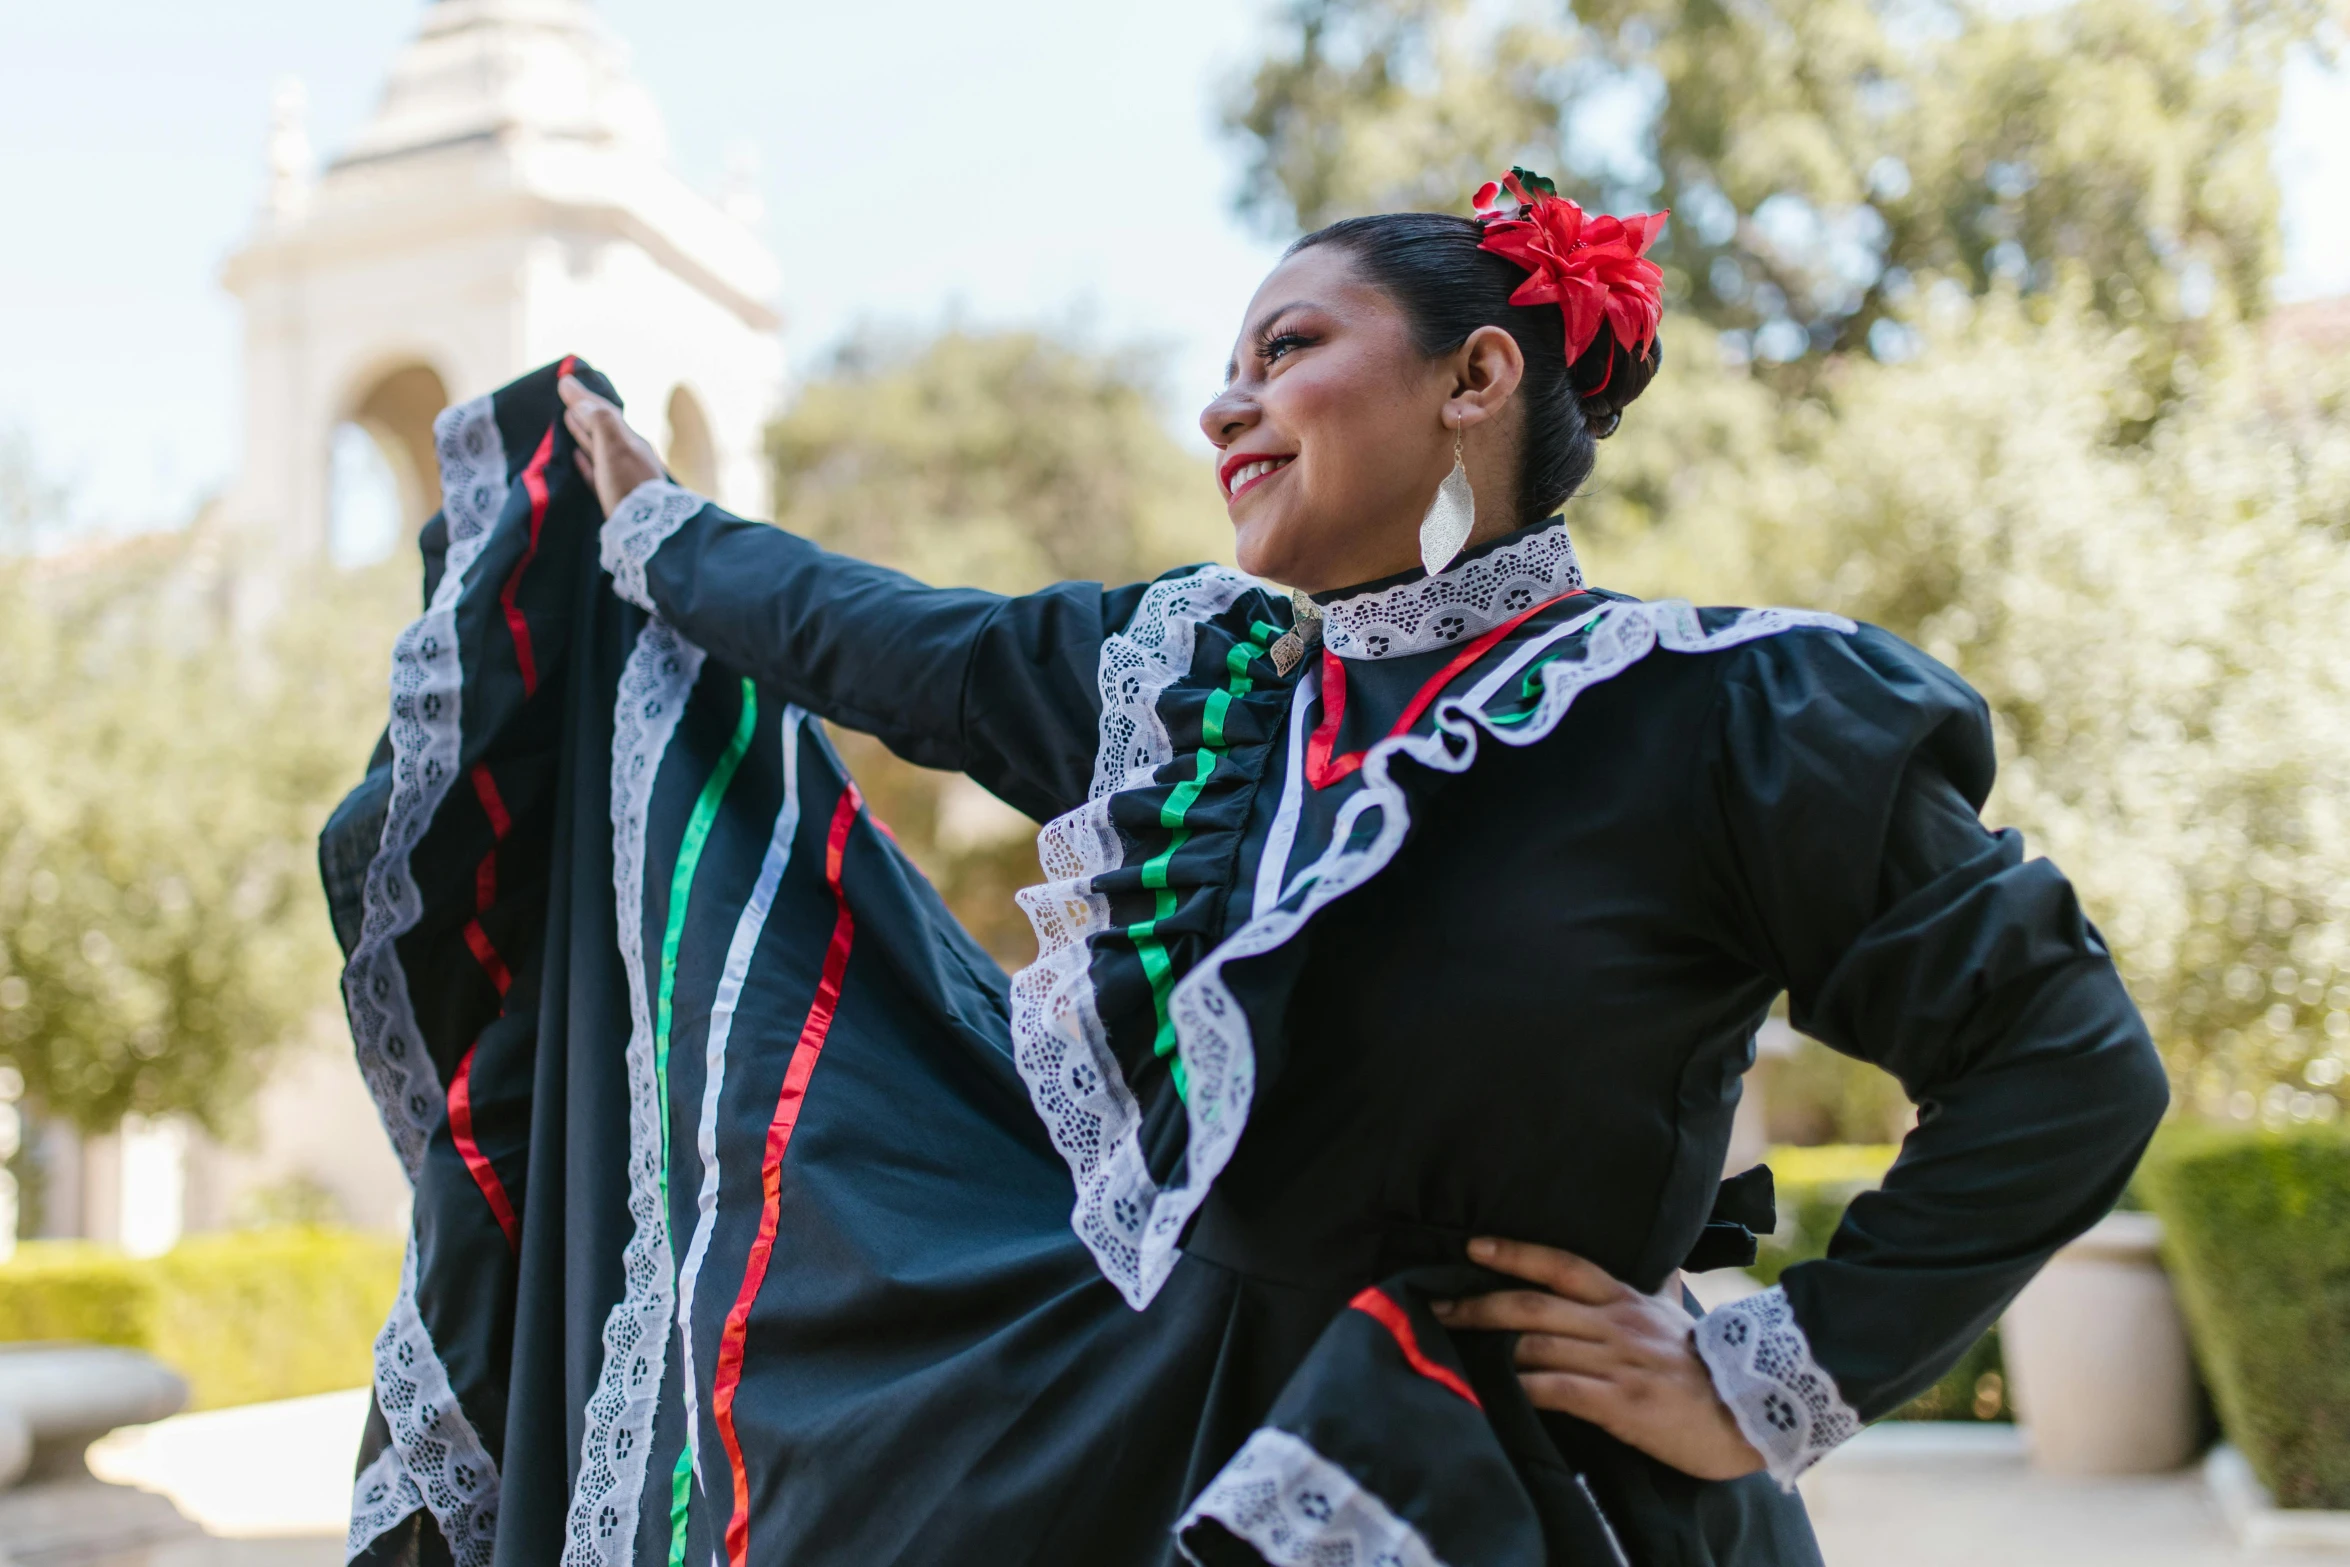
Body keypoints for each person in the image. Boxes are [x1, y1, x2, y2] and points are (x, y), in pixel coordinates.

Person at [325, 170, 2166, 1567]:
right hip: (1161, 1453)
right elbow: (887, 640)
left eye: (1288, 349)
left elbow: (2064, 1059)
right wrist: (654, 531)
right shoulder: (1193, 694)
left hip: (1534, 1499)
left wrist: (1767, 1371)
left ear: (1479, 374)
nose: (1224, 407)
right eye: (1221, 370)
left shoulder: (1731, 716)